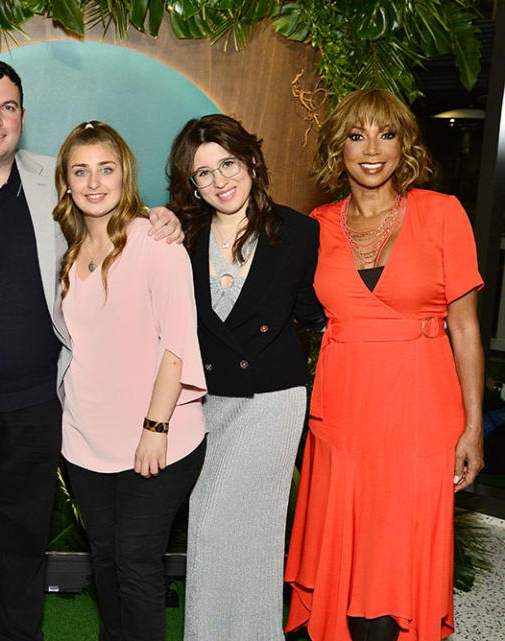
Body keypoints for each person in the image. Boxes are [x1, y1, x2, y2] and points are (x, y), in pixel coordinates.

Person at [0, 61, 182, 641]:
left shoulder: (56, 179)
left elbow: (115, 217)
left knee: (24, 539)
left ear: (22, 116)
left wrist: (165, 216)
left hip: (39, 402)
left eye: (8, 107)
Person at [284, 89, 485, 641]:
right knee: (342, 546)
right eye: (356, 135)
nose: (372, 149)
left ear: (405, 145)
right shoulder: (316, 226)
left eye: (387, 134)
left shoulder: (443, 213)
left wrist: (473, 427)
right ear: (338, 149)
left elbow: (465, 328)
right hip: (343, 411)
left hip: (423, 407)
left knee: (403, 544)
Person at [164, 114, 325, 641]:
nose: (219, 181)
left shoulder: (299, 231)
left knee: (243, 531)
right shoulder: (179, 235)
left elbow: (312, 312)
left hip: (270, 399)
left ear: (251, 160)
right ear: (191, 186)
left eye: (227, 163)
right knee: (211, 530)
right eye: (202, 174)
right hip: (201, 399)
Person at [52, 121, 207, 641]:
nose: (94, 182)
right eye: (81, 171)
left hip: (155, 437)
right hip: (86, 439)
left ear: (125, 174)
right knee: (107, 562)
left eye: (106, 169)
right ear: (66, 182)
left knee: (138, 567)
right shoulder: (69, 251)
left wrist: (154, 427)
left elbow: (177, 346)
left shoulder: (154, 241)